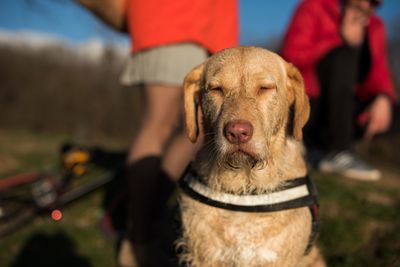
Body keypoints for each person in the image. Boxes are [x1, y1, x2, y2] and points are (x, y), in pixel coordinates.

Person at [117, 1, 239, 266]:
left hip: (208, 36)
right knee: (158, 124)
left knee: (198, 129)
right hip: (171, 20)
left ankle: (150, 215)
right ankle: (137, 239)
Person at [281, 0, 398, 181]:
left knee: (393, 110)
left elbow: (379, 71)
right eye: (359, 4)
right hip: (312, 102)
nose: (365, 9)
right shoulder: (314, 7)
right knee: (342, 58)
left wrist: (383, 97)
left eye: (373, 5)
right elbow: (291, 57)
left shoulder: (376, 26)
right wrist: (339, 38)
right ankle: (338, 151)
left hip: (348, 105)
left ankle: (320, 149)